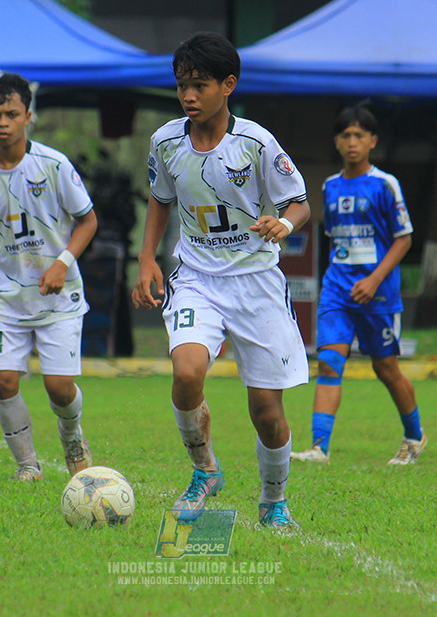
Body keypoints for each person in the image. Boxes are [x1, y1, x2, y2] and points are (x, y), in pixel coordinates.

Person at [131, 32, 311, 529]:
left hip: (256, 283)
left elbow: (300, 202)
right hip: (197, 278)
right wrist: (147, 259)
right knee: (187, 373)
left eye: (200, 85)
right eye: (182, 85)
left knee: (266, 413)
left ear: (228, 85)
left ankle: (273, 501)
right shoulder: (166, 141)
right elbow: (160, 199)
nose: (189, 96)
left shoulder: (255, 142)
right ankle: (205, 470)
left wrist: (285, 224)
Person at [0, 73, 98, 482]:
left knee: (59, 388)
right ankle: (28, 465)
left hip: (58, 295)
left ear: (28, 115)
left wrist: (62, 262)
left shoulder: (53, 165)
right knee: (5, 381)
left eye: (11, 113)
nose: (3, 122)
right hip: (4, 297)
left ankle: (72, 437)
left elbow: (87, 221)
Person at [291, 103, 426, 466]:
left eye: (359, 136)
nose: (352, 142)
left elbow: (403, 238)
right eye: (346, 135)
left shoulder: (385, 184)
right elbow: (338, 238)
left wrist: (374, 278)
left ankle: (414, 436)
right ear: (337, 142)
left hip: (377, 292)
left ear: (372, 141)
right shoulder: (330, 187)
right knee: (330, 362)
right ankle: (319, 448)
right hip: (338, 288)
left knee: (385, 368)